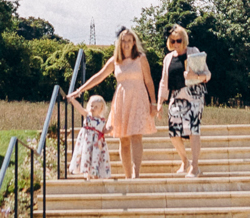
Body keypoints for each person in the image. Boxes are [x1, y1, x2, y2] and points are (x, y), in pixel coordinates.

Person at [69, 27, 157, 179]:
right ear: (120, 43)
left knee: (137, 136)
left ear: (134, 42)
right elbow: (99, 77)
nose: (126, 44)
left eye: (129, 40)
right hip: (122, 101)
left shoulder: (141, 58)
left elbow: (149, 81)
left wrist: (153, 103)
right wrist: (79, 91)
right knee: (124, 139)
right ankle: (128, 176)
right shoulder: (115, 61)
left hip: (139, 99)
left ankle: (136, 175)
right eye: (123, 41)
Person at [156, 24, 210, 177]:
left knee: (193, 129)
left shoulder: (193, 52)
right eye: (172, 41)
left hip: (194, 94)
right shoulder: (168, 58)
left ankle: (195, 166)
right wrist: (160, 102)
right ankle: (184, 160)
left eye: (178, 40)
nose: (176, 44)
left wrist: (196, 77)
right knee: (174, 133)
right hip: (176, 95)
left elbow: (208, 74)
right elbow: (163, 82)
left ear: (184, 39)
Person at [65, 94, 111, 178]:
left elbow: (103, 131)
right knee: (86, 155)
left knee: (96, 157)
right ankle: (87, 174)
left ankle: (95, 173)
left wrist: (110, 129)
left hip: (97, 143)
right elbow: (79, 108)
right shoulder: (87, 115)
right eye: (91, 105)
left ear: (101, 109)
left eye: (96, 107)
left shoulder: (102, 120)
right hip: (87, 141)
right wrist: (72, 100)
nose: (93, 108)